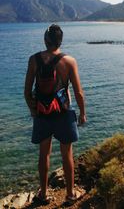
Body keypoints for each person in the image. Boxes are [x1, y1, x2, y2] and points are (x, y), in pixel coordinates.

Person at [24, 24, 86, 204]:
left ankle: (43, 194)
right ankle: (70, 195)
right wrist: (82, 113)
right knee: (67, 154)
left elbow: (27, 91)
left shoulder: (34, 59)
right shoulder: (69, 61)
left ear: (45, 40)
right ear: (61, 41)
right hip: (63, 112)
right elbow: (78, 92)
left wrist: (34, 111)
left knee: (44, 154)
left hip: (43, 113)